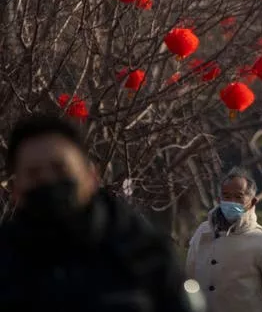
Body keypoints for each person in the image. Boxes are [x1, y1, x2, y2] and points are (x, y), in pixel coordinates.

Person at [0, 114, 194, 312]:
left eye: (60, 169)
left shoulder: (144, 253)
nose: (49, 182)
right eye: (34, 174)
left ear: (91, 175)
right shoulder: (5, 262)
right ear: (15, 189)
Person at [186, 168, 262, 312]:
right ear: (219, 199)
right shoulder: (203, 232)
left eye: (238, 197)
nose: (231, 202)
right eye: (226, 196)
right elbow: (189, 278)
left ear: (253, 201)